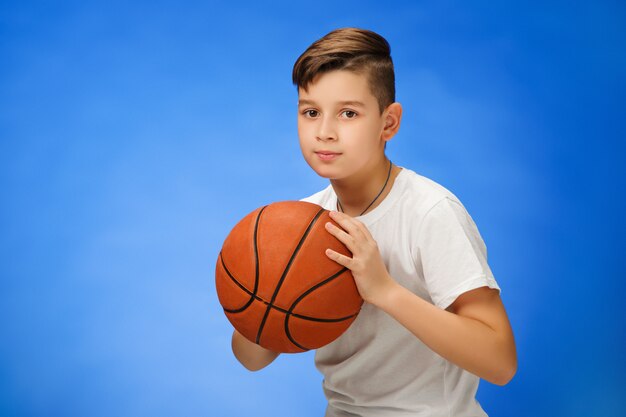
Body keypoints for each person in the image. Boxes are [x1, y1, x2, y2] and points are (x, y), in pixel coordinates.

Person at [231, 27, 517, 416]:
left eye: (348, 113)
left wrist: (385, 291)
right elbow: (252, 359)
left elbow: (500, 362)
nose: (325, 132)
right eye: (310, 112)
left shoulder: (429, 212)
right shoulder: (301, 223)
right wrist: (260, 295)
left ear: (389, 122)